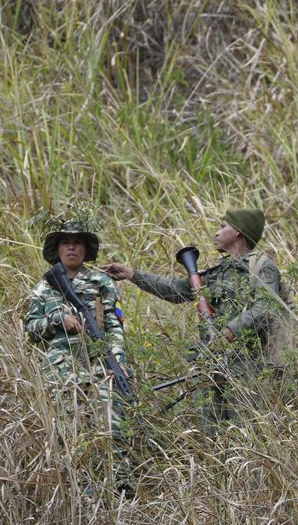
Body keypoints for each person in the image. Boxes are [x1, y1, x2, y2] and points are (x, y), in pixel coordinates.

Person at [102, 208, 281, 433]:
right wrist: (133, 275)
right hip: (209, 364)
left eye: (223, 226)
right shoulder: (219, 272)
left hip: (246, 367)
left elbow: (265, 307)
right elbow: (175, 290)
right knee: (210, 433)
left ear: (238, 232)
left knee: (245, 431)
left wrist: (229, 331)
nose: (217, 232)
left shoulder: (262, 267)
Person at [24, 217, 131, 494]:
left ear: (85, 249)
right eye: (65, 243)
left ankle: (119, 486)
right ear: (57, 249)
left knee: (112, 423)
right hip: (60, 368)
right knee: (72, 430)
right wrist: (59, 320)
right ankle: (83, 490)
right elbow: (31, 329)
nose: (71, 249)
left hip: (100, 362)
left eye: (78, 243)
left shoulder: (101, 281)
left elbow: (114, 326)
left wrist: (117, 362)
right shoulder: (45, 286)